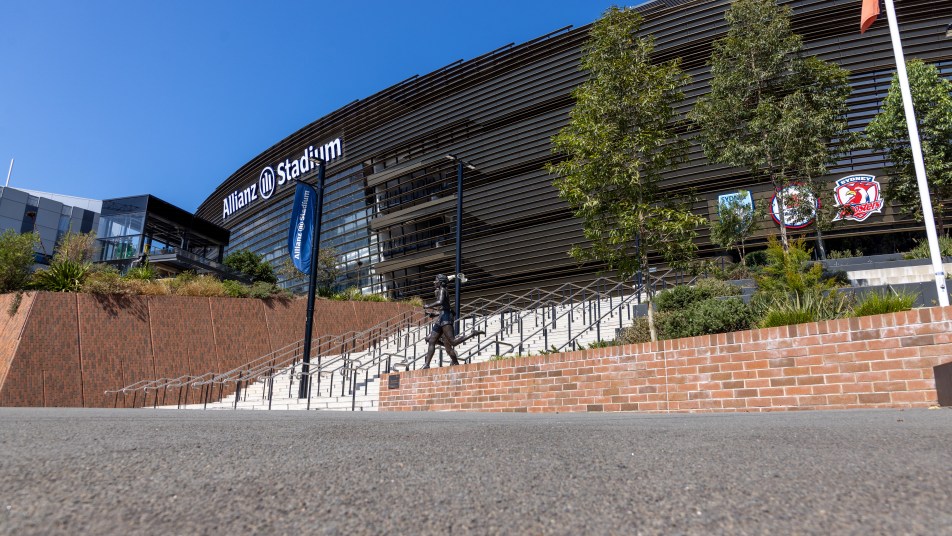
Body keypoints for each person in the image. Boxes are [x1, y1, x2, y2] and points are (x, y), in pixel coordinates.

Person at [421, 274, 484, 369]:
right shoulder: (440, 291)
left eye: (436, 280)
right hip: (442, 317)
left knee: (453, 342)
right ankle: (427, 364)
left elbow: (441, 302)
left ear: (441, 282)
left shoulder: (443, 290)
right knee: (431, 340)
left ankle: (472, 334)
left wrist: (428, 305)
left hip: (446, 317)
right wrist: (434, 314)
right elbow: (443, 307)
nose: (434, 282)